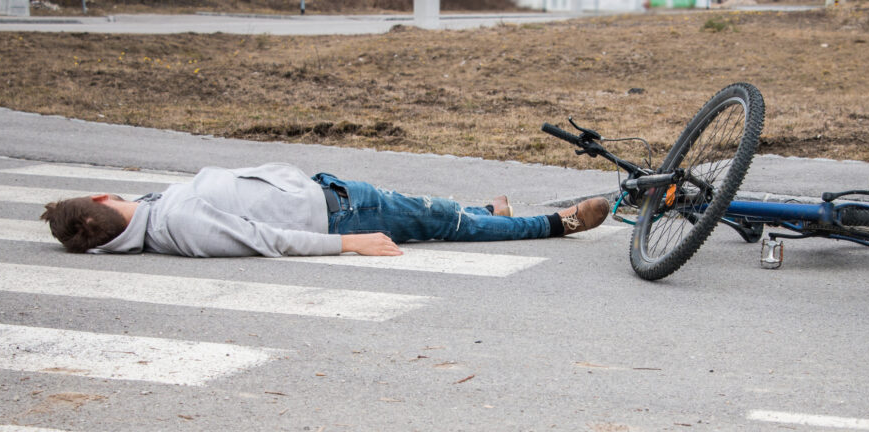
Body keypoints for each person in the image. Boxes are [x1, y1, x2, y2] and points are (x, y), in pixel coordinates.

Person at [40, 163, 611, 257]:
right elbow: (265, 241)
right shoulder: (177, 224)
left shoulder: (151, 212)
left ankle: (486, 209)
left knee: (428, 209)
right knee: (445, 224)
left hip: (329, 195)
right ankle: (555, 224)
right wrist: (350, 243)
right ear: (101, 200)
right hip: (340, 217)